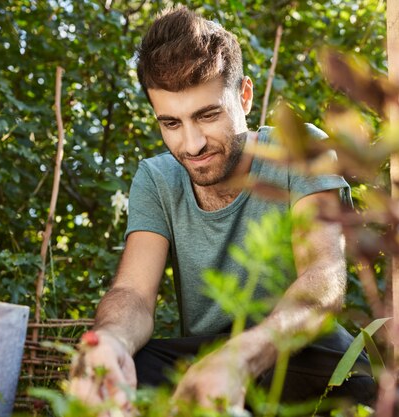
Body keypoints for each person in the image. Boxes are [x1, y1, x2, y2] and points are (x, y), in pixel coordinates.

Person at [70, 5, 375, 414]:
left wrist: (240, 358)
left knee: (342, 363)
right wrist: (109, 340)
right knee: (124, 372)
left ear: (244, 96)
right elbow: (132, 295)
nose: (192, 145)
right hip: (202, 357)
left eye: (207, 115)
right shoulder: (156, 179)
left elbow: (323, 277)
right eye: (171, 124)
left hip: (289, 347)